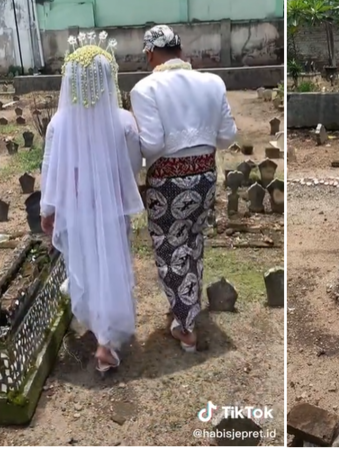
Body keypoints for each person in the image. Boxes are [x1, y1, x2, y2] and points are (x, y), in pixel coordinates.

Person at [40, 32, 144, 372]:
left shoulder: (58, 124)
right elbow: (131, 167)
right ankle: (106, 341)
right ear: (106, 79)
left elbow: (50, 170)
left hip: (77, 207)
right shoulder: (124, 121)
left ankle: (99, 331)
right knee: (111, 264)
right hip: (111, 207)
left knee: (86, 264)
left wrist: (48, 210)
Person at [130, 25, 237, 352]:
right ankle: (185, 309)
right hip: (205, 176)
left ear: (149, 54)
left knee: (169, 249)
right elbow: (228, 137)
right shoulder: (213, 82)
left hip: (168, 183)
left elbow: (152, 144)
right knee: (193, 242)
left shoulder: (145, 88)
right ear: (179, 49)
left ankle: (186, 328)